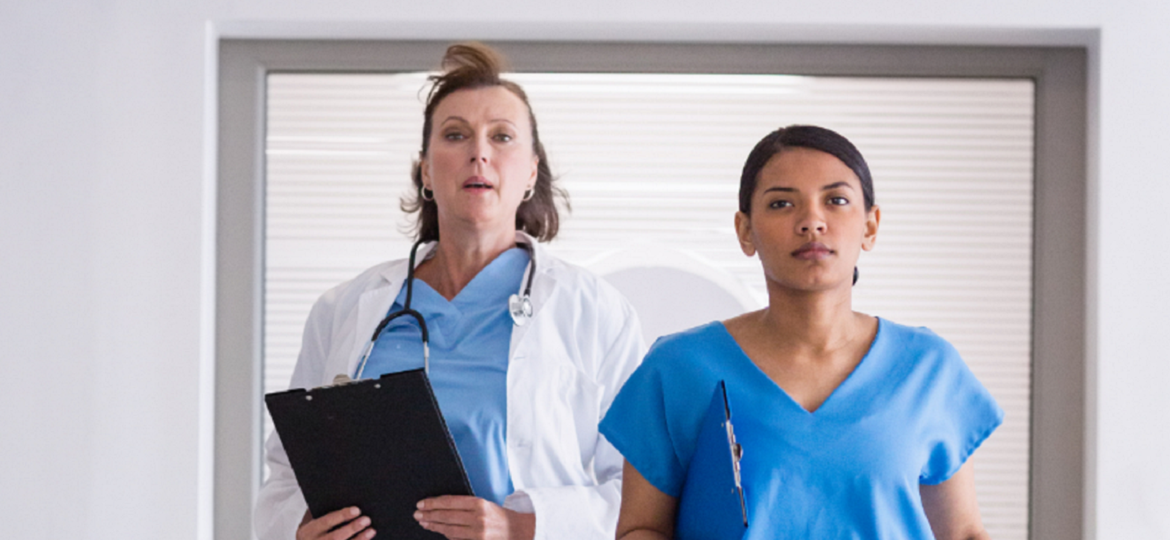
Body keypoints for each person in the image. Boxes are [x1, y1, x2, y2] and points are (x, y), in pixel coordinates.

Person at [254, 43, 645, 540]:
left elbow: (639, 495)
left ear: (531, 171)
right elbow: (286, 474)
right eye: (455, 134)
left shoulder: (594, 311)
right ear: (425, 170)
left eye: (502, 136)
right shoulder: (345, 309)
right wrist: (302, 529)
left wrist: (522, 527)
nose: (479, 153)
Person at [599, 125, 1003, 539]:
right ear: (745, 231)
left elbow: (962, 533)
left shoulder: (927, 368)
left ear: (870, 226)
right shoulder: (678, 369)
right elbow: (642, 528)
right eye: (781, 203)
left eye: (836, 200)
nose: (812, 221)